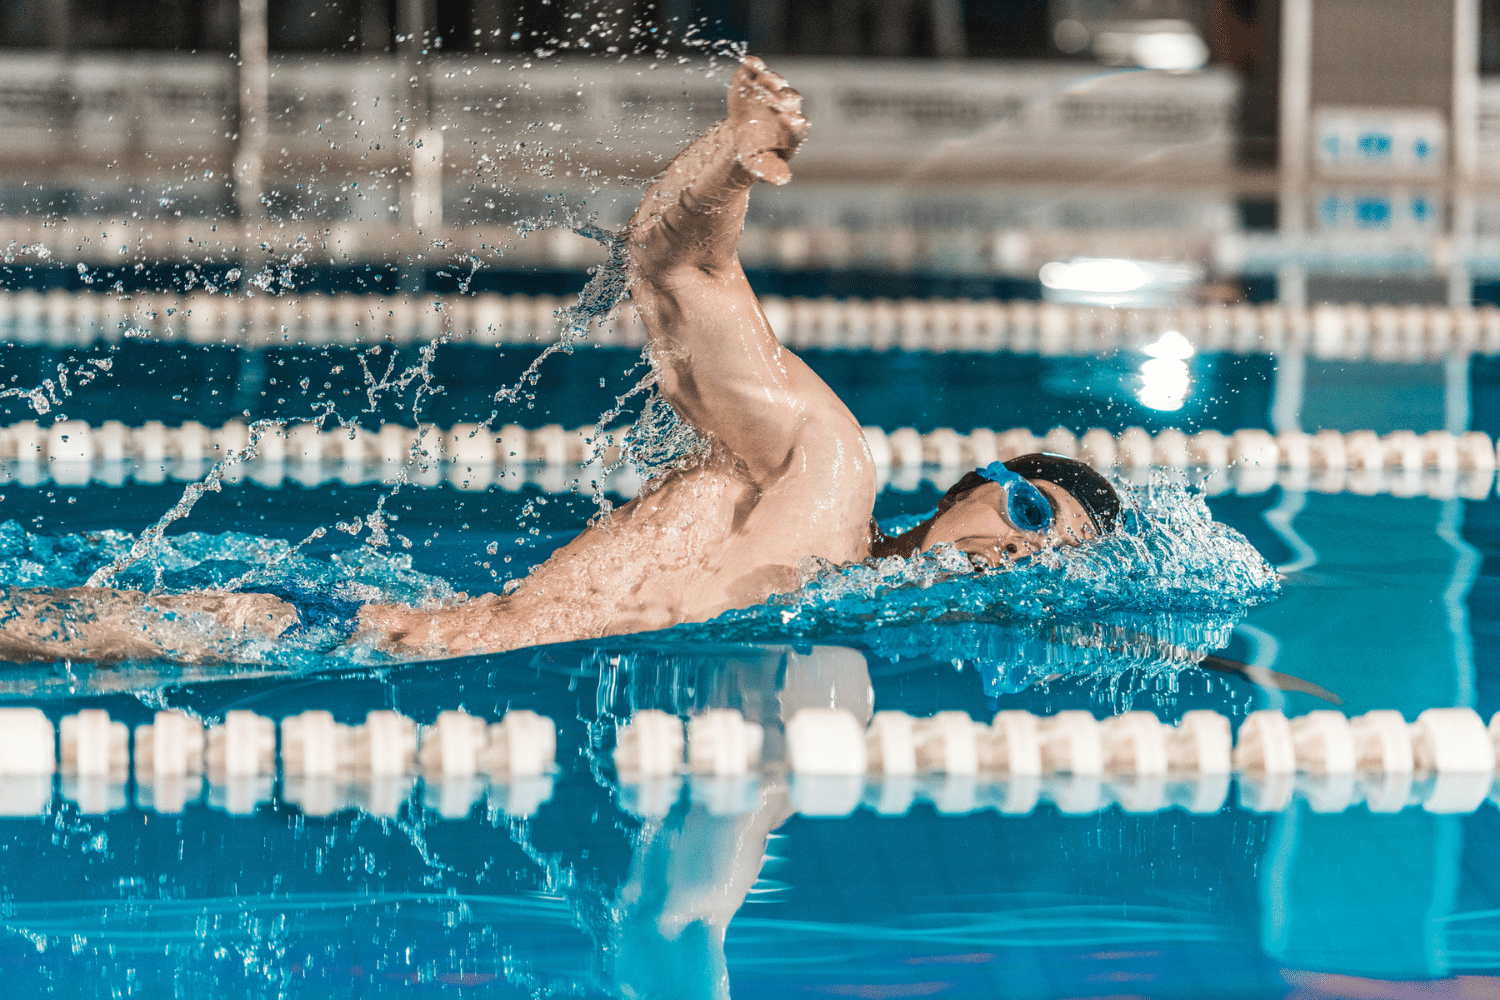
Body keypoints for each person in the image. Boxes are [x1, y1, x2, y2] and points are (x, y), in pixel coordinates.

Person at [0, 58, 1120, 665]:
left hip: (400, 663)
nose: (1016, 552)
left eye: (1049, 555)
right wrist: (731, 164)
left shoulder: (839, 626)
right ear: (976, 486)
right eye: (1026, 510)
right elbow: (677, 274)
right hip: (350, 642)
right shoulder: (825, 472)